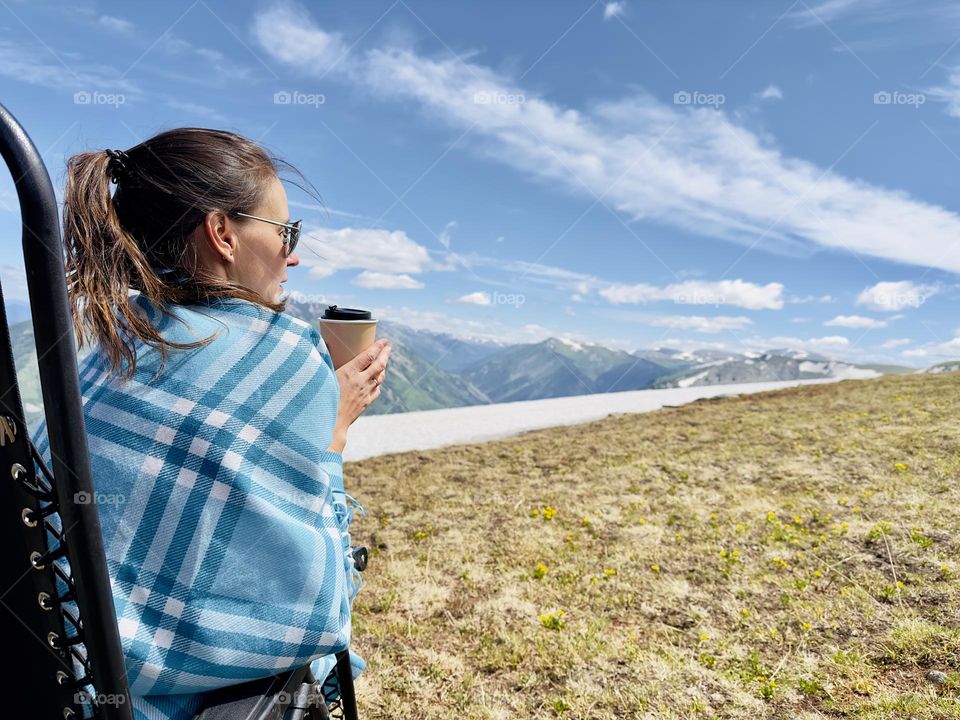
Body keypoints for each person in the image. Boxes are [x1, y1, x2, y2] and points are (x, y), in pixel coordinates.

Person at [30, 127, 390, 720]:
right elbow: (315, 610)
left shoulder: (108, 343)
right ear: (223, 233)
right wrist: (335, 427)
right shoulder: (286, 359)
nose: (292, 254)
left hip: (52, 675)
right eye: (286, 232)